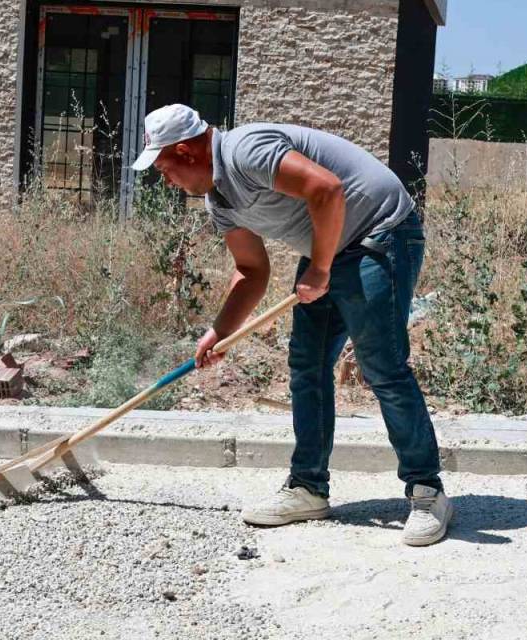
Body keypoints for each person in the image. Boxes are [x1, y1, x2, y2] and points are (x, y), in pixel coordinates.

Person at [131, 104, 451, 546]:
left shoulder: (245, 151)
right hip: (331, 246)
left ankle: (427, 491)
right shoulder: (219, 200)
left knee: (382, 366)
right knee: (307, 364)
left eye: (166, 169)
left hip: (380, 232)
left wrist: (318, 271)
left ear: (186, 151)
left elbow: (327, 190)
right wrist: (219, 331)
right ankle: (308, 487)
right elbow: (251, 270)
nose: (167, 181)